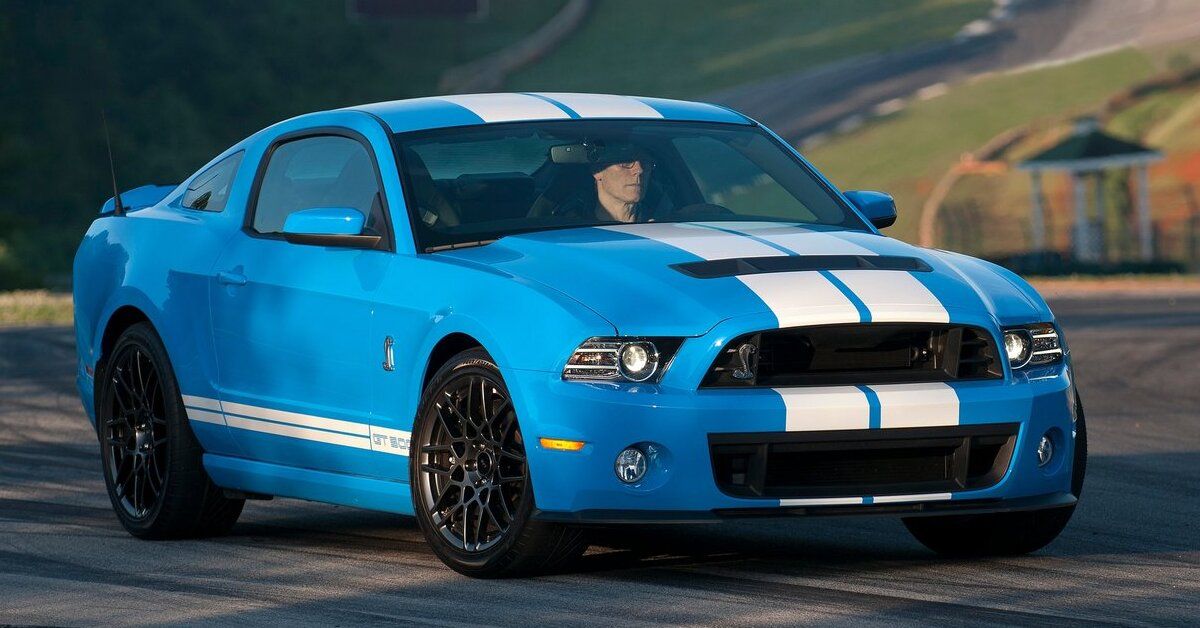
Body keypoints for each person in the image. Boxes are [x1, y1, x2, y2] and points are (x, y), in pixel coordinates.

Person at [589, 144, 653, 223]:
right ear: (597, 171)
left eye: (645, 162)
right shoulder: (573, 227)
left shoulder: (664, 224)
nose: (639, 170)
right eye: (626, 162)